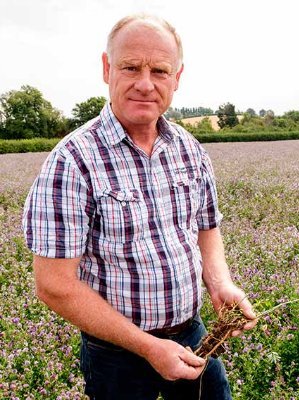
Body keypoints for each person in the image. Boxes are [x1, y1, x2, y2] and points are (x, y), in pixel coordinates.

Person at [22, 13, 257, 400]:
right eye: (131, 67)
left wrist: (220, 282)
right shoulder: (72, 160)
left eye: (160, 71)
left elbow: (206, 228)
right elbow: (53, 285)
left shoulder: (189, 149)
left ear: (177, 78)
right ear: (106, 68)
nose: (145, 84)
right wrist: (148, 346)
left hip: (194, 334)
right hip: (116, 354)